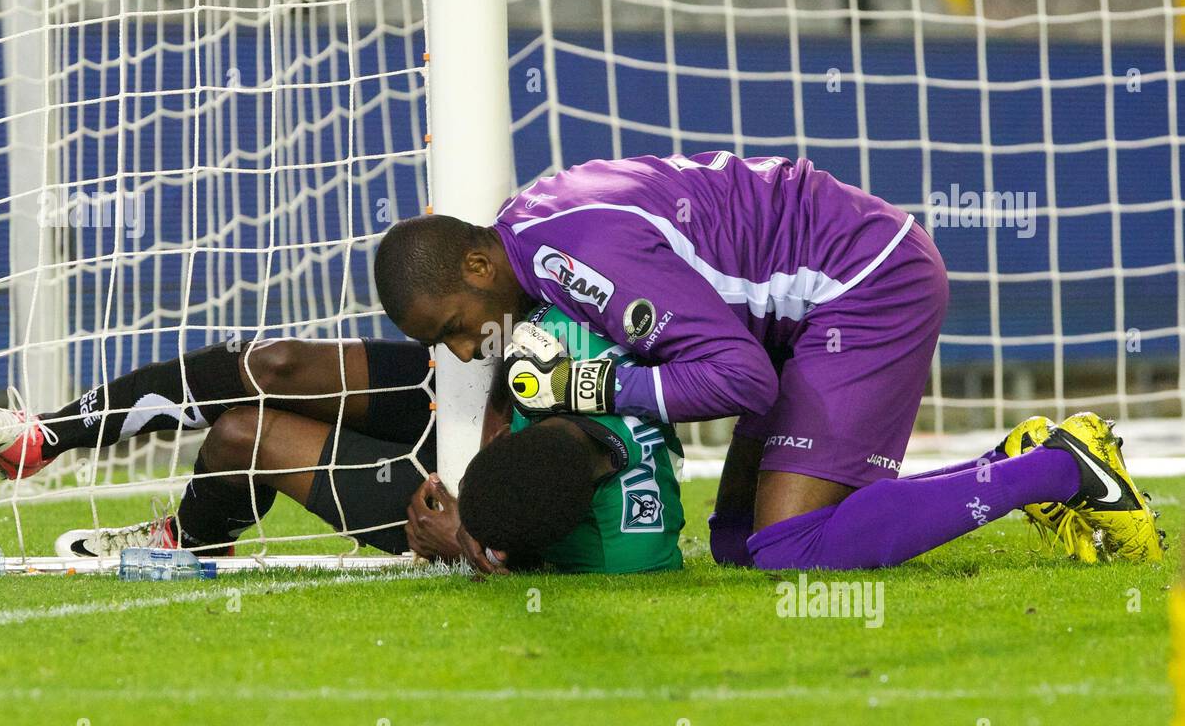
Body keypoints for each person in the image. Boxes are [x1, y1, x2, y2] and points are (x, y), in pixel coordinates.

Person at [373, 151, 1166, 568]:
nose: (463, 347)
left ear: (476, 270)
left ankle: (1064, 470)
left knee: (793, 550)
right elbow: (517, 391)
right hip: (800, 311)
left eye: (453, 326)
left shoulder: (570, 257)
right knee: (736, 544)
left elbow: (740, 377)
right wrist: (484, 523)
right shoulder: (527, 236)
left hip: (864, 284)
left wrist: (595, 383)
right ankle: (1012, 459)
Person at [0, 306, 684, 574]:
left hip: (468, 502)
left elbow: (533, 519)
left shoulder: (614, 544)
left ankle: (189, 538)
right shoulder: (582, 305)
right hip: (491, 398)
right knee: (279, 365)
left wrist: (472, 534)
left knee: (240, 437)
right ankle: (42, 436)